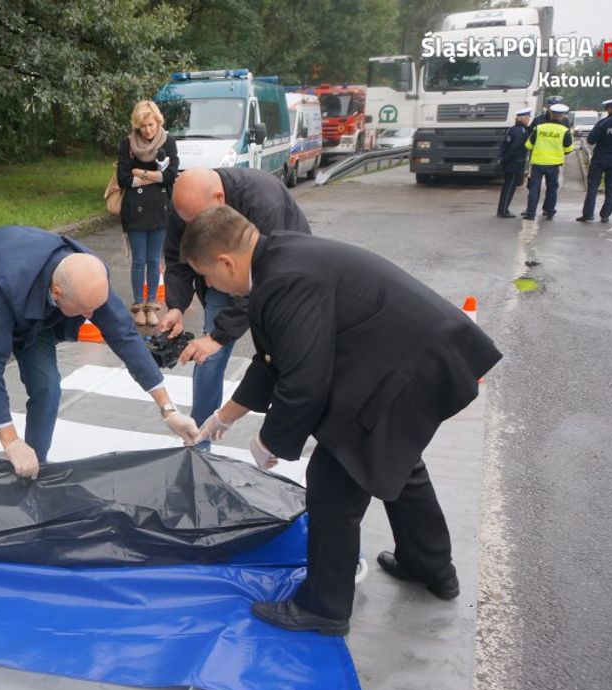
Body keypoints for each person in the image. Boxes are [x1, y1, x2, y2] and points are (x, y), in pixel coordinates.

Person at [181, 206, 501, 636]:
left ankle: (324, 607)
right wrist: (224, 418)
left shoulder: (284, 279)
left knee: (336, 478)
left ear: (226, 261)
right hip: (418, 355)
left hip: (407, 367)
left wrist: (272, 440)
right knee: (395, 462)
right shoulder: (278, 257)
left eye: (207, 277)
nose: (210, 287)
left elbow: (305, 380)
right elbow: (275, 358)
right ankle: (430, 566)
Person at [0, 226, 198, 476]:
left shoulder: (87, 277)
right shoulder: (5, 285)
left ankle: (36, 467)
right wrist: (10, 442)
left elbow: (126, 337)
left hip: (37, 302)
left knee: (47, 385)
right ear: (58, 293)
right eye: (85, 311)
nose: (91, 316)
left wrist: (168, 409)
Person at [156, 167, 311, 439]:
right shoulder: (186, 206)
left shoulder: (263, 201)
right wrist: (177, 306)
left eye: (197, 221)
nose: (190, 226)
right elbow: (177, 259)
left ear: (219, 197)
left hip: (281, 280)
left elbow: (270, 277)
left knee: (280, 356)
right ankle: (200, 436)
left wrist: (218, 335)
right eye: (187, 222)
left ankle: (280, 437)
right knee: (208, 357)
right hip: (220, 270)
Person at [117, 101, 179, 327]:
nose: (148, 130)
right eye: (143, 126)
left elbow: (171, 174)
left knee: (154, 261)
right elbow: (123, 177)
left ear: (157, 122)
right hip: (135, 210)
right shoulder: (127, 144)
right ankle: (138, 307)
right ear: (137, 126)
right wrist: (154, 176)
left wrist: (142, 173)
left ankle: (151, 306)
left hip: (160, 209)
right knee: (138, 260)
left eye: (151, 125)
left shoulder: (168, 142)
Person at [522, 103, 573, 221]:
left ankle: (530, 213)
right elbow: (569, 148)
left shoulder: (539, 128)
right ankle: (549, 212)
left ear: (550, 114)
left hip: (538, 163)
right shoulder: (564, 130)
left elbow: (528, 145)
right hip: (554, 164)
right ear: (562, 116)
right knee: (552, 188)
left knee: (534, 188)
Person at [496, 108, 532, 218]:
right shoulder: (521, 131)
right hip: (514, 163)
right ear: (522, 118)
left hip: (510, 162)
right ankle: (503, 211)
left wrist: (502, 158)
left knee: (508, 186)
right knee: (509, 188)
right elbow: (514, 148)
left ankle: (503, 209)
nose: (528, 120)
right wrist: (505, 160)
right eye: (527, 118)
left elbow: (504, 145)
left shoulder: (512, 129)